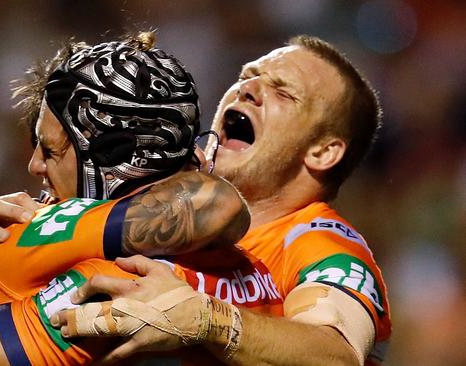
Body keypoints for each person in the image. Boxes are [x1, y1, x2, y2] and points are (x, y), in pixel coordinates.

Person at [0, 33, 279, 365]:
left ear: (117, 156)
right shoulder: (254, 266)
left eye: (52, 150)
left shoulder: (110, 280)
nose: (35, 166)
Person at [44, 35, 392, 366]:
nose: (248, 90)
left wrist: (208, 321)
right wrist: (31, 227)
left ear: (323, 151)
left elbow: (337, 355)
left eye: (284, 94)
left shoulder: (321, 245)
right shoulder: (167, 201)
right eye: (247, 76)